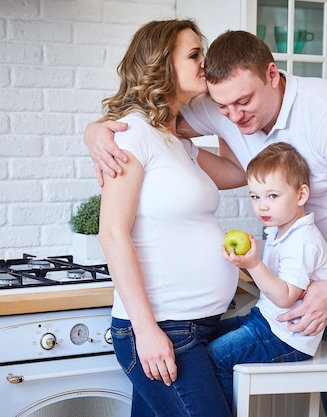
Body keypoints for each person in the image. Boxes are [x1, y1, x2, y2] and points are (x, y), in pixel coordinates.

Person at [84, 30, 327, 417]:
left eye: (243, 102)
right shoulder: (216, 103)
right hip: (312, 280)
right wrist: (95, 130)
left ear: (271, 74)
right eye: (223, 107)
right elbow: (143, 119)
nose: (233, 115)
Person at [96, 20, 245, 417]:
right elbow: (112, 233)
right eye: (194, 55)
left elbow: (240, 171)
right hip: (165, 329)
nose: (205, 62)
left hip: (198, 326)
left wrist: (221, 105)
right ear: (162, 65)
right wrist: (147, 331)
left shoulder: (175, 141)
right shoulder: (133, 135)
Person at [210, 142, 327, 408]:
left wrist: (254, 263)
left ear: (301, 195)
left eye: (272, 196)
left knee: (215, 356)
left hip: (286, 338)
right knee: (201, 335)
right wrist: (246, 263)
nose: (261, 206)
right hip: (267, 322)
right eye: (255, 197)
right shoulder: (282, 231)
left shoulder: (302, 242)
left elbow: (285, 297)